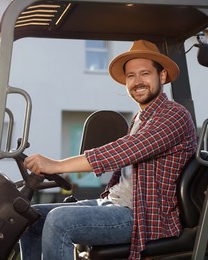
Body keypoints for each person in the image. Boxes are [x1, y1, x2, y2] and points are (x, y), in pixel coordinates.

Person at [20, 40, 197, 260]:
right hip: (115, 203)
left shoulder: (174, 116)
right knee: (30, 217)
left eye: (145, 73)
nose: (137, 81)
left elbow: (126, 150)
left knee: (59, 222)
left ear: (161, 76)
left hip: (144, 216)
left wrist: (56, 165)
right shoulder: (141, 118)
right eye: (131, 76)